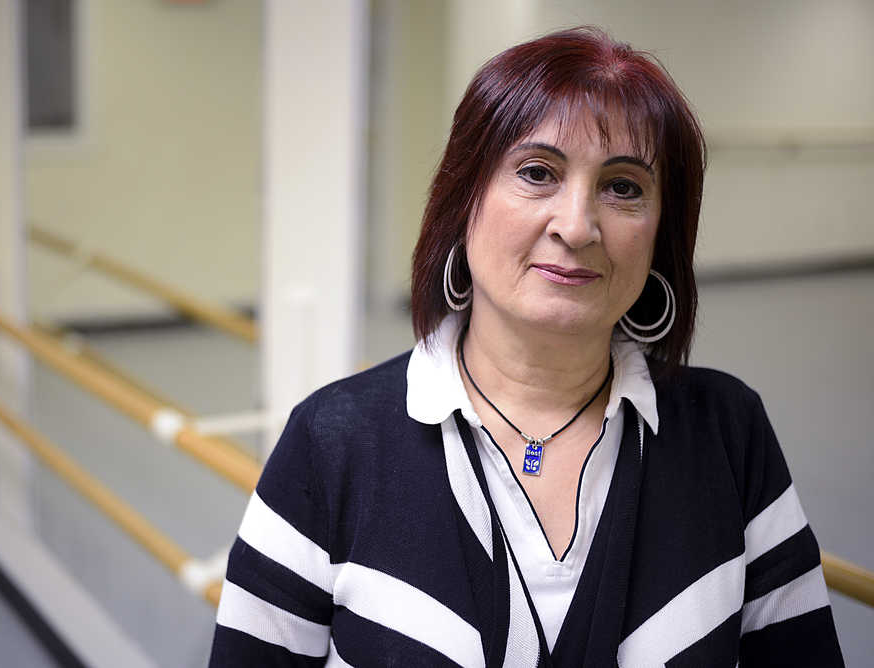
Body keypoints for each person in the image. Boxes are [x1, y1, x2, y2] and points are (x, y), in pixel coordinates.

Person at [209, 27, 843, 667]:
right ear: (466, 202)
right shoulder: (333, 443)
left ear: (660, 234)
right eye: (537, 173)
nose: (576, 226)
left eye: (623, 187)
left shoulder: (728, 433)